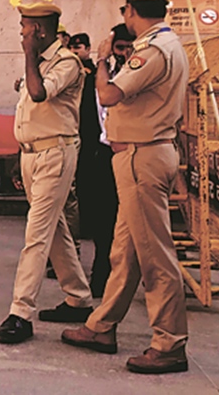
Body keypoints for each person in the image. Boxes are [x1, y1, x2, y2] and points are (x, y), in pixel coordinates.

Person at [63, 0, 190, 375]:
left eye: (126, 13)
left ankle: (169, 343)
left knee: (154, 255)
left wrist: (102, 60)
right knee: (127, 251)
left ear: (131, 11)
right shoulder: (165, 46)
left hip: (143, 156)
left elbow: (109, 95)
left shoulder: (154, 49)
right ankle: (102, 326)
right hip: (140, 156)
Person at [0, 3, 94, 345]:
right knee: (54, 229)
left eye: (25, 27)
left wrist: (28, 55)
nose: (21, 33)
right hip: (32, 154)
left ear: (38, 30)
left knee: (36, 233)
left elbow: (38, 93)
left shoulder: (66, 61)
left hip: (56, 153)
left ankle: (20, 312)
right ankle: (79, 297)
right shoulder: (39, 62)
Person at [80, 24, 134, 296]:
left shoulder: (139, 74)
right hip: (102, 153)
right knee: (103, 220)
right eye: (119, 48)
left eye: (128, 47)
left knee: (132, 223)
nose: (124, 53)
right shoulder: (98, 77)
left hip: (132, 153)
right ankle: (101, 273)